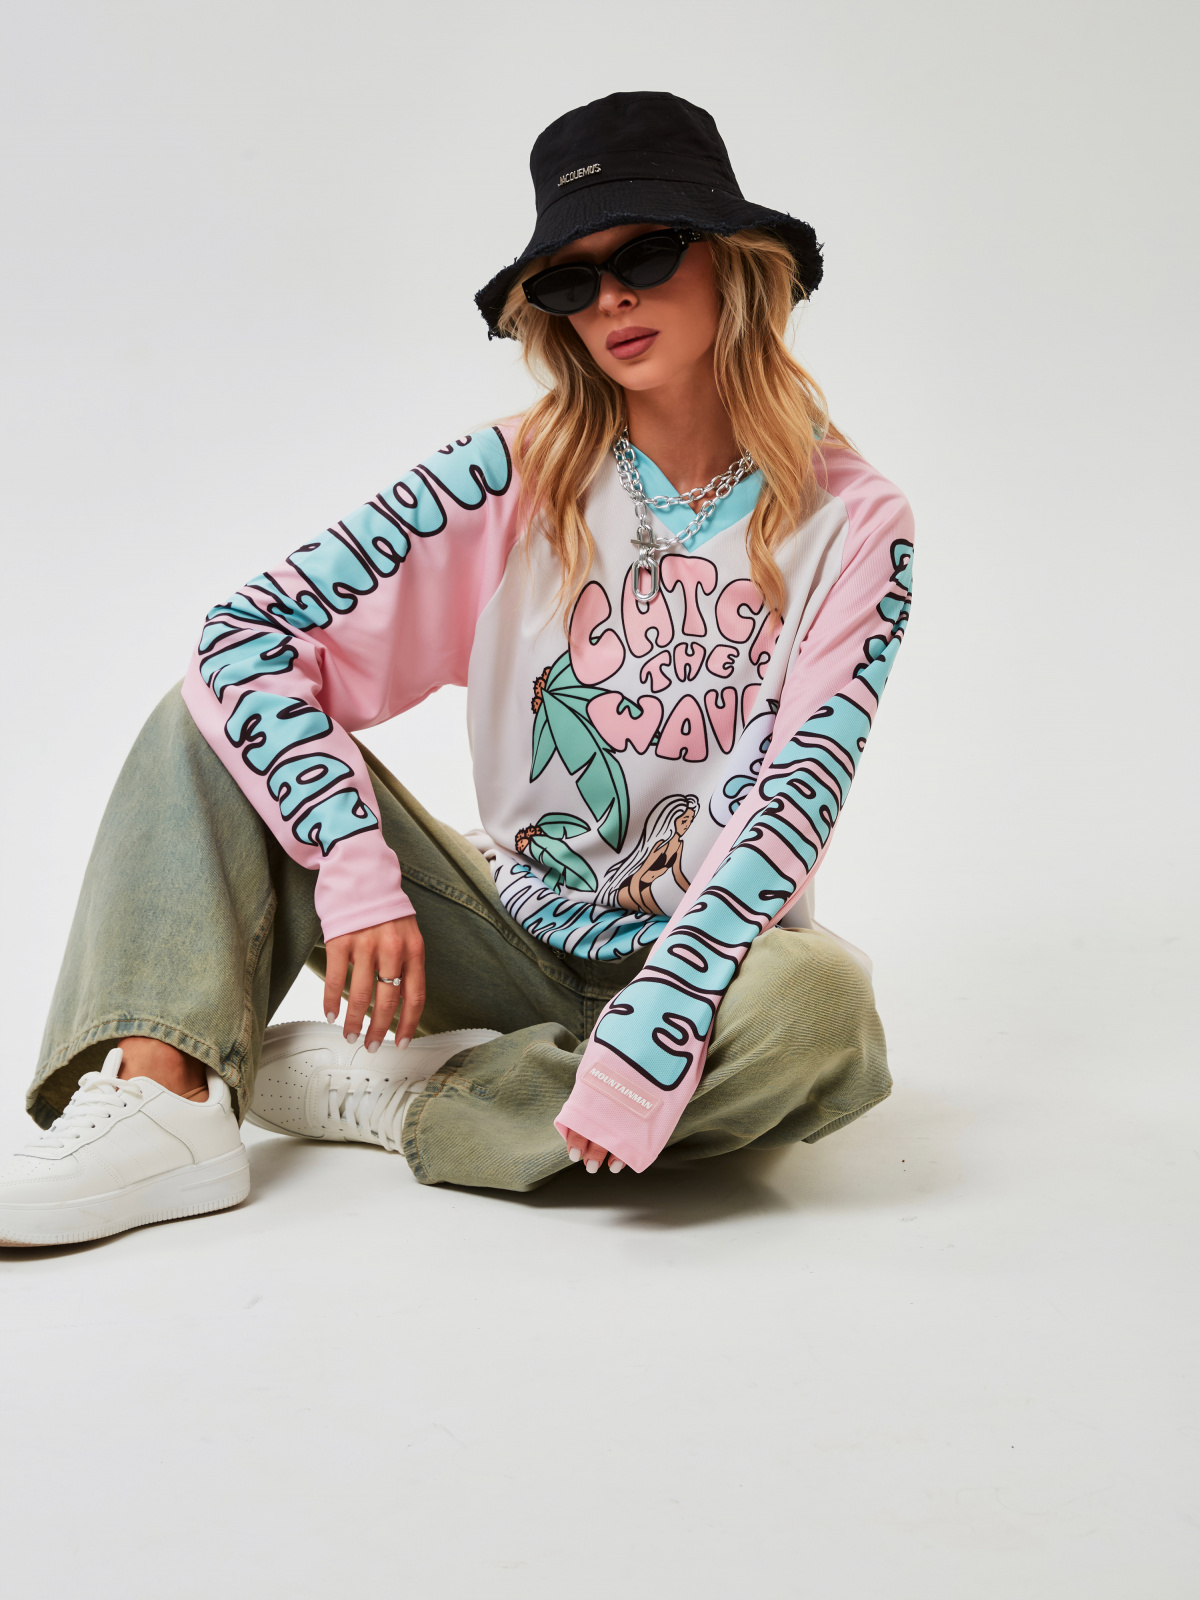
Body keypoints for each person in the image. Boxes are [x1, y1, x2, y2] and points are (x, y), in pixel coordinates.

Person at [1, 90, 914, 1247]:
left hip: (716, 957)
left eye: (646, 253)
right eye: (571, 281)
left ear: (732, 260)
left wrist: (668, 1013)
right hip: (502, 928)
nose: (612, 298)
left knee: (824, 1009)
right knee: (201, 724)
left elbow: (798, 786)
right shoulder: (511, 476)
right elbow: (249, 638)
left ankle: (419, 1095)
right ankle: (165, 1096)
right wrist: (358, 874)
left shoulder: (854, 521)